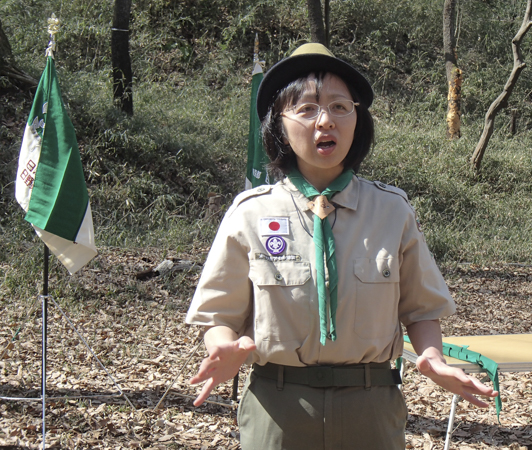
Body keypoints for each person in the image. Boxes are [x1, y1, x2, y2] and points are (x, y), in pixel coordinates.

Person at [186, 43, 497, 450]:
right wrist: (223, 347)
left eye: (339, 107)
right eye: (307, 109)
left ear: (357, 120)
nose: (325, 121)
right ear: (278, 124)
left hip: (370, 405)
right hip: (277, 406)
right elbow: (219, 313)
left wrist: (433, 357)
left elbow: (421, 308)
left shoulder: (391, 209)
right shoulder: (251, 213)